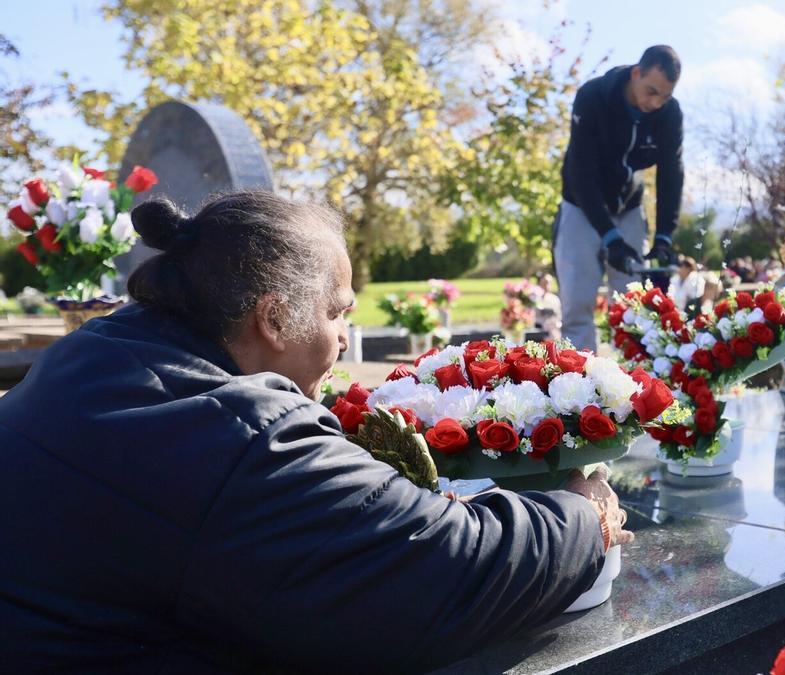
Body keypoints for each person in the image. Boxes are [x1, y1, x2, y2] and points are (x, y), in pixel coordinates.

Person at [0, 191, 634, 671]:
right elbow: (442, 571)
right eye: (338, 313)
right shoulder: (239, 435)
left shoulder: (91, 352)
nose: (340, 339)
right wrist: (583, 513)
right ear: (274, 318)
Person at [554, 45, 684, 351]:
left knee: (634, 305)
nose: (657, 103)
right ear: (636, 73)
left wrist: (665, 235)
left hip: (629, 207)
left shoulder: (669, 112)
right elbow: (580, 171)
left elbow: (671, 173)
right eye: (651, 91)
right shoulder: (593, 97)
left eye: (665, 96)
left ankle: (636, 389)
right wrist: (609, 237)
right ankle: (577, 389)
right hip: (581, 204)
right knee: (577, 305)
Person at [535, 273, 563, 341]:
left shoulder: (555, 299)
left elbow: (559, 316)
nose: (547, 285)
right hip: (536, 332)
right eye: (544, 283)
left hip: (552, 332)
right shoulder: (534, 298)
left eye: (549, 283)